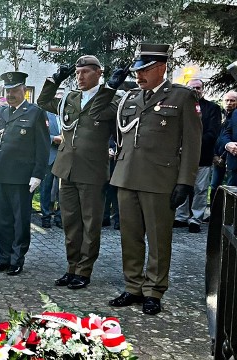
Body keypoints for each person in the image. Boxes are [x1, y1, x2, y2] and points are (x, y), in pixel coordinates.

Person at [97, 43, 202, 315]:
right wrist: (110, 87)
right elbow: (102, 116)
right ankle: (133, 286)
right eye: (137, 71)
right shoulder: (131, 97)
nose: (138, 76)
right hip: (126, 176)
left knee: (158, 239)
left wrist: (186, 181)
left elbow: (192, 143)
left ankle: (154, 290)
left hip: (159, 179)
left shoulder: (182, 97)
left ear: (161, 68)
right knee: (130, 237)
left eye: (144, 71)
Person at [38, 55, 120, 289]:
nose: (80, 77)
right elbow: (44, 102)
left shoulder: (110, 100)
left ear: (98, 73)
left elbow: (102, 117)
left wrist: (110, 88)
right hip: (67, 168)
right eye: (77, 73)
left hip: (92, 170)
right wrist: (55, 79)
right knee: (70, 221)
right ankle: (71, 267)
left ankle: (85, 270)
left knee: (90, 223)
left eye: (85, 72)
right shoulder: (70, 98)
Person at [0, 72, 50, 276]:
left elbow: (42, 146)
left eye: (15, 90)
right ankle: (4, 257)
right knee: (2, 219)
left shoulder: (35, 112)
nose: (11, 94)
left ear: (24, 89)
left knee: (20, 220)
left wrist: (38, 174)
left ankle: (17, 259)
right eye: (8, 91)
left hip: (21, 175)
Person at [173, 79, 220, 233]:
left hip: (202, 156)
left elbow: (212, 133)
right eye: (191, 88)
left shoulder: (212, 108)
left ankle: (196, 219)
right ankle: (181, 217)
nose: (195, 90)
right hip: (181, 156)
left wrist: (191, 146)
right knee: (182, 185)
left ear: (203, 89)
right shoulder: (180, 106)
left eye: (198, 88)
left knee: (200, 189)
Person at [210, 91, 237, 204]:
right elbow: (214, 136)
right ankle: (213, 215)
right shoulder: (217, 115)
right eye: (227, 100)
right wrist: (214, 155)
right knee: (214, 186)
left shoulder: (234, 115)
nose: (229, 103)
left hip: (231, 156)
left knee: (231, 187)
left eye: (232, 100)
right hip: (218, 156)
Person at [39, 110, 62, 229]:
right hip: (49, 156)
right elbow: (40, 133)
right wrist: (53, 138)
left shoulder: (65, 115)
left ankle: (60, 217)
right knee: (45, 188)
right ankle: (46, 217)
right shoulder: (46, 115)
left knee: (62, 189)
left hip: (64, 157)